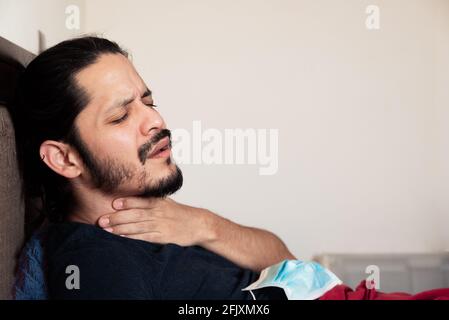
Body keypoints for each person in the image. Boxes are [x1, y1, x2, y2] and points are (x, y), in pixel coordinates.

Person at [11, 36, 295, 299]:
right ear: (65, 159)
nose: (156, 119)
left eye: (148, 102)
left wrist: (206, 225)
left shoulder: (171, 221)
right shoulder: (97, 263)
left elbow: (289, 265)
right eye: (120, 117)